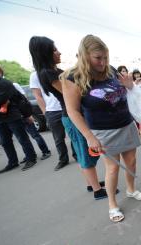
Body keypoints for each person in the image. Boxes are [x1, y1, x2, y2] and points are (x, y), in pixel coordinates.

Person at [61, 34, 141, 222]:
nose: (103, 62)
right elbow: (73, 111)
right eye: (98, 58)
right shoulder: (71, 77)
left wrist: (129, 85)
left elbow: (126, 91)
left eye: (106, 57)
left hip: (125, 123)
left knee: (131, 162)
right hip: (102, 130)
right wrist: (89, 137)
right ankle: (112, 204)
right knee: (112, 169)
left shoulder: (111, 70)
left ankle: (131, 190)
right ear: (85, 56)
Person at [29, 35, 107, 199]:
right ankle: (97, 191)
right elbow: (71, 93)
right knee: (85, 153)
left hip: (70, 116)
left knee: (80, 152)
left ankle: (90, 184)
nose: (59, 53)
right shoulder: (49, 73)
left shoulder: (52, 71)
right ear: (45, 53)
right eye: (55, 50)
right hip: (73, 116)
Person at [30, 71, 77, 169]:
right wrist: (45, 112)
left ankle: (77, 155)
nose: (58, 54)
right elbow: (37, 95)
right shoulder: (36, 74)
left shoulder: (61, 71)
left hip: (67, 107)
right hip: (52, 111)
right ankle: (63, 159)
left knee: (74, 135)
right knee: (58, 138)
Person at [0, 66, 37, 173]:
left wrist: (27, 115)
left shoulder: (4, 83)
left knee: (22, 138)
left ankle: (31, 158)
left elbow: (0, 100)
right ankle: (13, 162)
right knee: (5, 142)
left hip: (12, 116)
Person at [12, 82, 51, 162]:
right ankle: (29, 155)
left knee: (35, 135)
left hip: (23, 114)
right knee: (22, 138)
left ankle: (46, 151)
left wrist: (28, 114)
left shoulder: (13, 85)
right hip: (15, 117)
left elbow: (24, 99)